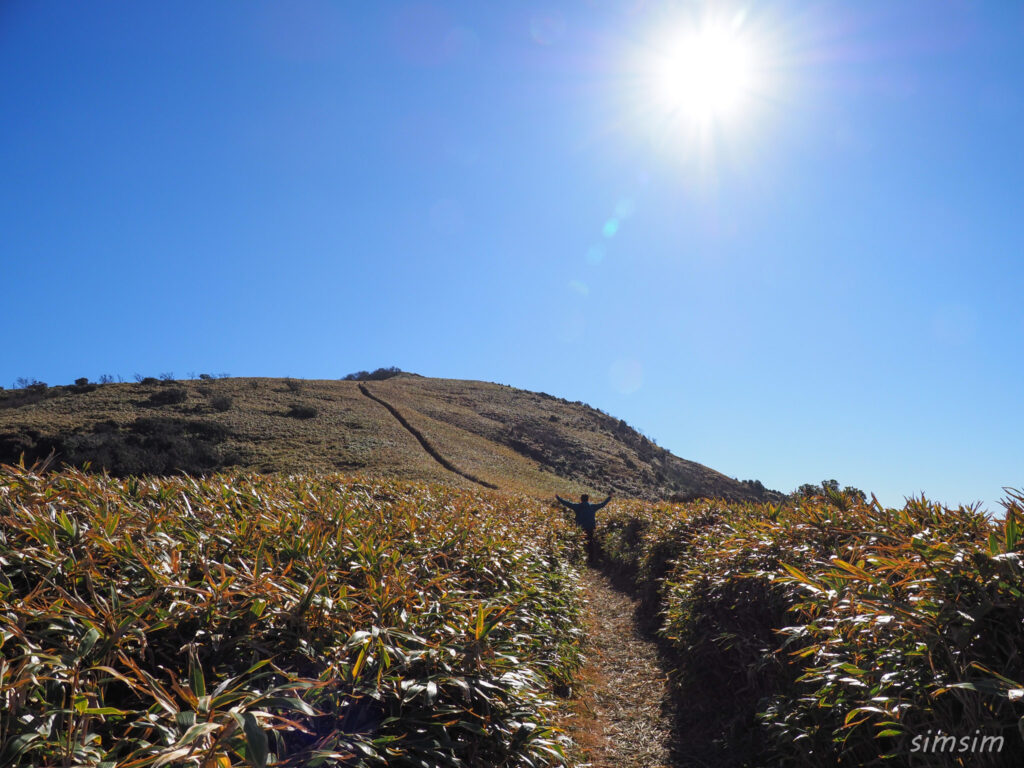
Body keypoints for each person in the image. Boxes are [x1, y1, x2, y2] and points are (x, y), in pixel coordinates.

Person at [555, 491, 612, 563]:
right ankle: (591, 560)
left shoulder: (577, 506)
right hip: (590, 527)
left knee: (580, 542)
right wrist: (609, 497)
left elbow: (567, 503)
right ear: (588, 499)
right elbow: (602, 504)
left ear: (581, 499)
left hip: (580, 527)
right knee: (590, 543)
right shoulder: (592, 507)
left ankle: (580, 559)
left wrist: (558, 498)